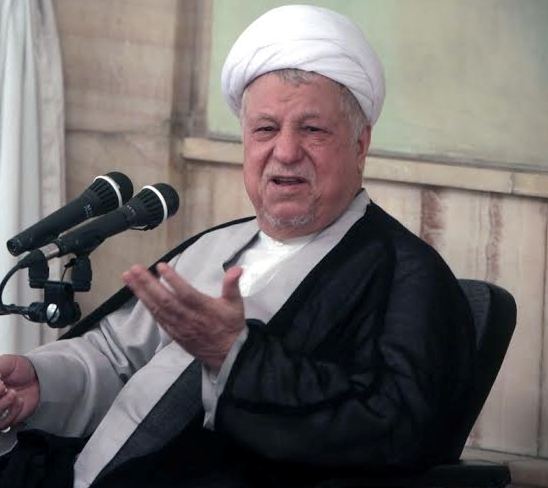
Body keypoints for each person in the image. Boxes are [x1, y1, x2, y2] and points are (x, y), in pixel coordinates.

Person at [0, 5, 475, 487]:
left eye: (312, 130)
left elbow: (400, 428)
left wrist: (236, 357)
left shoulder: (408, 276)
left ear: (360, 144)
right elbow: (115, 356)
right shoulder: (214, 246)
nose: (285, 152)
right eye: (265, 129)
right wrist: (41, 382)